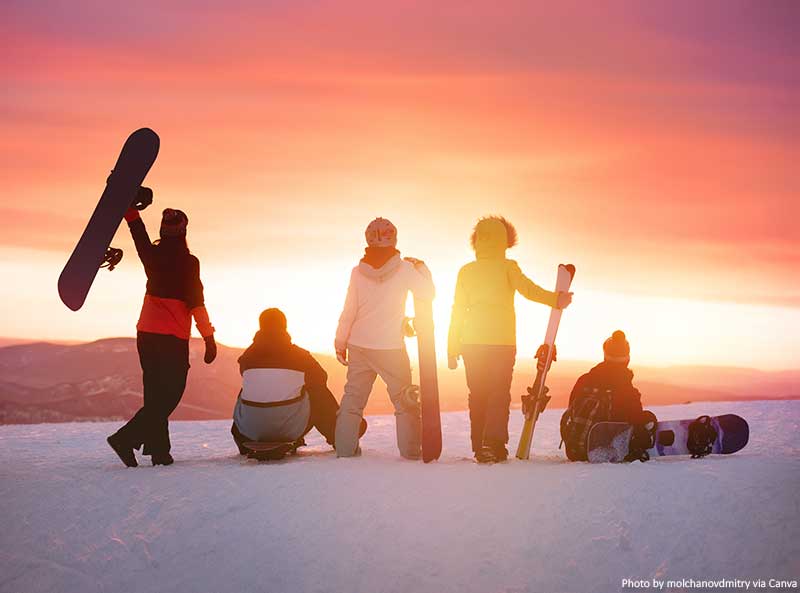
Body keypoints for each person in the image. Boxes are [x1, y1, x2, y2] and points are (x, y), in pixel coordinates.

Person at [447, 216, 572, 463]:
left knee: (478, 394)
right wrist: (555, 299)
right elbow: (528, 290)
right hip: (501, 343)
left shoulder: (466, 271)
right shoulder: (507, 267)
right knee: (498, 393)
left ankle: (480, 446)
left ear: (477, 241)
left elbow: (457, 310)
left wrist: (452, 347)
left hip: (471, 342)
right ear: (505, 240)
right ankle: (493, 445)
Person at [107, 206, 217, 467]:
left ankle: (159, 451)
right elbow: (197, 304)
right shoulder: (189, 263)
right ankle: (125, 438)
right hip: (171, 338)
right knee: (171, 393)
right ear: (183, 233)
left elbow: (138, 234)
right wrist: (209, 338)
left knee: (155, 394)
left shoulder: (153, 255)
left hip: (146, 333)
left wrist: (130, 212)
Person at [334, 217, 435, 459]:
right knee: (404, 401)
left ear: (368, 240)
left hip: (359, 344)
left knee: (353, 400)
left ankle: (345, 451)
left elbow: (349, 310)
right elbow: (428, 294)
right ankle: (410, 451)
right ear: (394, 238)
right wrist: (422, 268)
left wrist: (340, 342)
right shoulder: (406, 269)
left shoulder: (357, 272)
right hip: (391, 346)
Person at [231, 308, 365, 454]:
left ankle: (243, 441)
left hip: (249, 430)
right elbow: (321, 378)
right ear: (284, 326)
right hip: (289, 426)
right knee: (317, 392)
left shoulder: (247, 357)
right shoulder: (299, 355)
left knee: (248, 391)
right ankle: (339, 434)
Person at [560, 330, 655, 461]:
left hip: (575, 451)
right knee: (647, 418)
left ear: (605, 355)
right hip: (605, 450)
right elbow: (635, 421)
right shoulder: (628, 391)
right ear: (627, 359)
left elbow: (571, 410)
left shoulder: (584, 380)